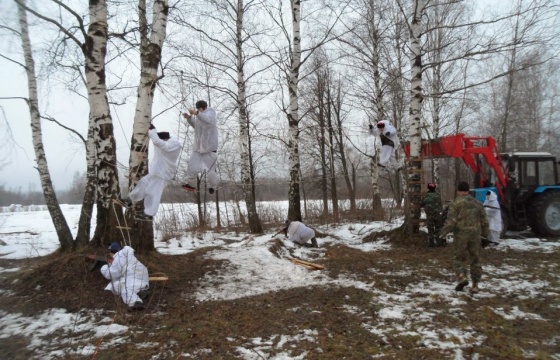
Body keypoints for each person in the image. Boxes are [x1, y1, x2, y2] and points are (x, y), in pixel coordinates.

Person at [123, 124, 181, 220]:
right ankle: (131, 199)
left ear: (164, 139)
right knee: (143, 182)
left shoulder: (171, 146)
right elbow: (158, 143)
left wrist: (153, 131)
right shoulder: (168, 143)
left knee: (152, 192)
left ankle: (149, 213)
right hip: (156, 171)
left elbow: (158, 143)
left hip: (163, 173)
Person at [440, 181, 489, 294]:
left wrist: (442, 234)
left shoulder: (455, 203)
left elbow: (451, 222)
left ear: (458, 191)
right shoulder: (478, 203)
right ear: (468, 190)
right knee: (475, 259)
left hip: (461, 235)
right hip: (475, 235)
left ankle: (462, 277)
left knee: (458, 258)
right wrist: (485, 236)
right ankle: (475, 286)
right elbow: (485, 222)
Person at [181, 100, 219, 194]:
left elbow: (207, 120)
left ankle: (212, 186)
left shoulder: (210, 114)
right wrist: (189, 118)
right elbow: (197, 127)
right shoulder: (199, 117)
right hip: (197, 148)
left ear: (203, 107)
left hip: (209, 148)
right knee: (192, 166)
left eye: (199, 109)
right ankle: (190, 184)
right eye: (197, 109)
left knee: (210, 170)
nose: (198, 110)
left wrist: (196, 113)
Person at [100, 242, 149, 310]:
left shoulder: (119, 257)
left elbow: (112, 274)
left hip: (135, 276)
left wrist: (104, 268)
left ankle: (136, 303)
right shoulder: (126, 254)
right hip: (139, 274)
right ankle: (139, 292)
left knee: (125, 290)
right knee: (117, 286)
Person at [421, 183, 444, 247]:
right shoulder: (438, 195)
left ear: (428, 188)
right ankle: (439, 242)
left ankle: (431, 243)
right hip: (437, 214)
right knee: (438, 228)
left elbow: (422, 203)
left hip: (430, 215)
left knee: (430, 229)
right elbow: (440, 205)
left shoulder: (426, 196)